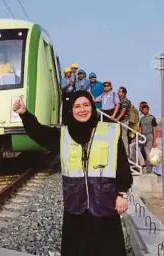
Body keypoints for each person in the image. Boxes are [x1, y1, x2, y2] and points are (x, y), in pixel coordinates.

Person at [13, 90, 132, 256]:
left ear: (92, 106)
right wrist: (24, 114)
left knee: (108, 249)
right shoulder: (63, 135)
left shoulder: (110, 131)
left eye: (86, 105)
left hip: (104, 204)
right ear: (71, 109)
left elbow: (122, 163)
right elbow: (39, 133)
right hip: (76, 206)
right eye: (77, 106)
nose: (82, 110)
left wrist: (122, 193)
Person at [139, 104, 157, 172]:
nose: (145, 110)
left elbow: (154, 129)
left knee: (147, 153)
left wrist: (154, 141)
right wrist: (137, 137)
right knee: (138, 149)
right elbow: (140, 129)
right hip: (143, 138)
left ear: (148, 110)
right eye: (143, 109)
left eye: (146, 109)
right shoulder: (142, 119)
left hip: (149, 137)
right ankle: (145, 165)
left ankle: (150, 169)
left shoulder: (152, 118)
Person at [115, 86, 131, 156]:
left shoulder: (125, 100)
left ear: (123, 93)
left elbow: (123, 111)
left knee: (124, 137)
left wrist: (117, 119)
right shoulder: (120, 101)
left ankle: (126, 154)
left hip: (124, 120)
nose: (118, 93)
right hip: (121, 121)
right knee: (120, 137)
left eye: (119, 91)